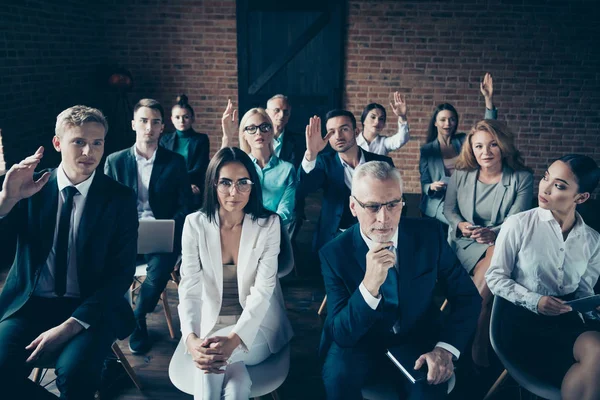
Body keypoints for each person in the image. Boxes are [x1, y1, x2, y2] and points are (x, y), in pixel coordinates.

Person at [0, 106, 138, 399]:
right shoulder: (29, 188)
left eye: (97, 142)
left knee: (77, 375)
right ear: (58, 143)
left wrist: (71, 326)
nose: (89, 151)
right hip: (29, 304)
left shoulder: (119, 199)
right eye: (79, 141)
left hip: (90, 309)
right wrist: (7, 201)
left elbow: (121, 274)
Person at [319, 161, 481, 400]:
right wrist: (369, 286)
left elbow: (467, 297)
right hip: (359, 340)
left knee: (429, 392)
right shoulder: (334, 253)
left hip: (418, 335)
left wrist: (444, 349)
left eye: (393, 204)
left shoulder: (430, 235)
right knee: (336, 379)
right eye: (373, 207)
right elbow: (342, 333)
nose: (384, 218)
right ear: (353, 206)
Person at [177, 147, 294, 399]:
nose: (234, 192)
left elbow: (263, 292)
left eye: (243, 182)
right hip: (210, 323)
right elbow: (189, 288)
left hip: (258, 326)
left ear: (253, 185)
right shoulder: (194, 224)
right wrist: (190, 339)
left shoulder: (269, 225)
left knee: (211, 363)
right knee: (235, 382)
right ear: (213, 184)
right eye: (226, 183)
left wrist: (232, 340)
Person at [486, 155, 600, 400]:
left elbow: (584, 292)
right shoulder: (518, 224)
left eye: (559, 185)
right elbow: (495, 278)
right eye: (546, 177)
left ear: (581, 198)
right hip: (521, 319)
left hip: (566, 320)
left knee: (598, 348)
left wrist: (593, 307)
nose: (545, 188)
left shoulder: (592, 240)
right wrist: (535, 301)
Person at [104, 98, 193, 354]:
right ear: (134, 124)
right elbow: (107, 205)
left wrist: (168, 227)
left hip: (160, 234)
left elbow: (185, 206)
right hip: (124, 236)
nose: (149, 127)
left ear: (162, 127)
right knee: (106, 268)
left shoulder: (175, 162)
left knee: (161, 268)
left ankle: (137, 318)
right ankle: (121, 320)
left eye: (155, 122)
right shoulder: (115, 161)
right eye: (143, 121)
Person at [443, 119, 533, 367]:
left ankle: (460, 332)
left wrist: (493, 233)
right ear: (471, 148)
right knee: (493, 278)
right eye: (479, 146)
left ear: (503, 146)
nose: (485, 152)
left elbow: (516, 220)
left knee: (497, 254)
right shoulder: (461, 173)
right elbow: (449, 209)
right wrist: (461, 225)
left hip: (500, 241)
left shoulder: (522, 178)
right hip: (463, 242)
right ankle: (478, 340)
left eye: (493, 145)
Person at [298, 110, 394, 253]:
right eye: (331, 132)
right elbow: (305, 186)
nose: (338, 136)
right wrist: (311, 154)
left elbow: (396, 202)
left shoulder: (382, 163)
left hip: (374, 239)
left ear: (356, 131)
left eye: (344, 129)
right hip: (334, 238)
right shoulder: (324, 162)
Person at [420, 72, 497, 225]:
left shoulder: (463, 141)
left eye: (452, 119)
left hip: (465, 197)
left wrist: (488, 99)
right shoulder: (428, 150)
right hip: (439, 201)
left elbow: (486, 129)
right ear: (435, 123)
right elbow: (424, 183)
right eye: (443, 120)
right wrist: (432, 186)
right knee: (457, 222)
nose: (447, 124)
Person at [221, 102, 297, 232]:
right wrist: (227, 137)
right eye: (251, 128)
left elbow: (286, 212)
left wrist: (261, 228)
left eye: (264, 127)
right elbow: (218, 180)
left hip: (274, 233)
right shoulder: (238, 167)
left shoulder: (287, 169)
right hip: (240, 232)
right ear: (244, 134)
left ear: (271, 131)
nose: (258, 133)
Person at [160, 94, 210, 207]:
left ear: (192, 118)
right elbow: (163, 166)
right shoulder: (165, 140)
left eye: (186, 117)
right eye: (177, 117)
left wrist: (186, 184)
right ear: (172, 119)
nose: (181, 121)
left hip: (193, 184)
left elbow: (200, 167)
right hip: (171, 184)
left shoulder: (201, 139)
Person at [356, 92, 410, 156]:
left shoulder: (384, 143)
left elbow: (401, 139)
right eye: (373, 117)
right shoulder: (353, 142)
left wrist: (402, 117)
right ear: (363, 120)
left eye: (381, 119)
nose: (377, 122)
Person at [265, 94, 306, 169]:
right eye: (277, 110)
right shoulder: (258, 138)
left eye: (285, 111)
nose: (281, 115)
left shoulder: (300, 142)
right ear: (267, 113)